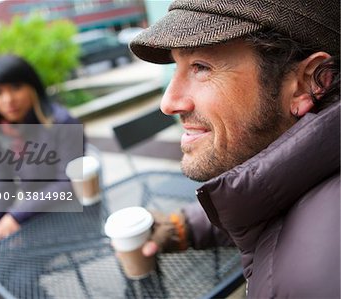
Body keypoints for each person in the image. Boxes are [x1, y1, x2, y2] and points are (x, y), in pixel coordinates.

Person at [128, 0, 340, 298]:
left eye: (201, 67)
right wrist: (181, 227)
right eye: (178, 66)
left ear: (307, 82)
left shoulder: (314, 282)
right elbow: (269, 197)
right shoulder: (314, 167)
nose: (169, 102)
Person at [0, 54, 84, 298]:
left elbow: (69, 184)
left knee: (12, 276)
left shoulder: (62, 123)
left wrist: (16, 216)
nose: (8, 99)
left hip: (70, 217)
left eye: (15, 87)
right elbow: (1, 187)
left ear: (32, 85)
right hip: (33, 215)